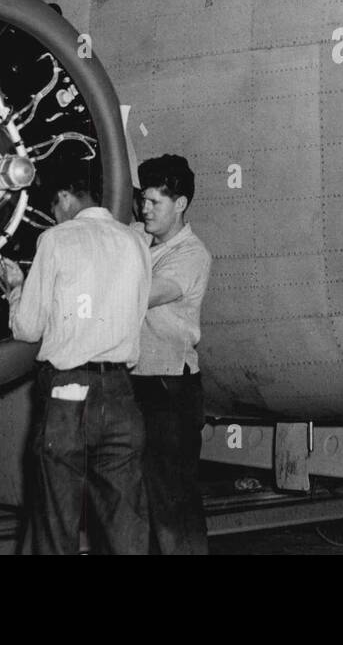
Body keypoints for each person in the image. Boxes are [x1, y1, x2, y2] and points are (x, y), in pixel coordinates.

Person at [0, 167, 152, 555]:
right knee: (126, 526)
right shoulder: (136, 244)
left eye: (54, 207)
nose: (54, 216)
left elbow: (28, 329)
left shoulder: (55, 240)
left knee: (55, 525)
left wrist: (16, 290)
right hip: (121, 394)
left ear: (65, 198)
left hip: (68, 397)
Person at [130, 154, 212, 555]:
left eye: (154, 203)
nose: (144, 210)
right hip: (139, 383)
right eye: (142, 201)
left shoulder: (191, 255)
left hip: (169, 389)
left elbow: (145, 295)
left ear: (179, 205)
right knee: (143, 501)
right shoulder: (141, 238)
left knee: (172, 502)